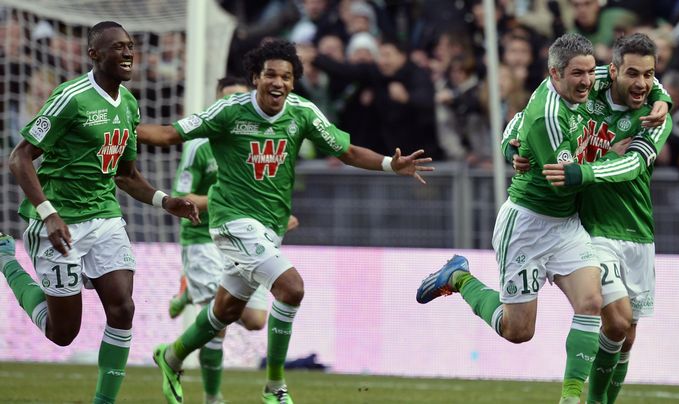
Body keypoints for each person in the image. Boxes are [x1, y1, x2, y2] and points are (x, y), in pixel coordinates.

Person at [138, 39, 433, 404]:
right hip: (231, 221)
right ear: (255, 78)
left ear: (294, 82)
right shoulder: (229, 111)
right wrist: (123, 127)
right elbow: (169, 134)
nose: (278, 82)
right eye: (271, 75)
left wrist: (391, 164)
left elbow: (348, 151)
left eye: (286, 76)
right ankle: (275, 386)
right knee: (291, 288)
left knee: (227, 310)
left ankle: (171, 356)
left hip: (270, 227)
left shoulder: (302, 113)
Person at [0, 21, 198, 404]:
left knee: (123, 308)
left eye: (130, 46)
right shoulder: (70, 97)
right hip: (58, 222)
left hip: (105, 216)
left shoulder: (129, 103)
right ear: (94, 54)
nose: (127, 53)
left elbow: (125, 175)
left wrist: (164, 200)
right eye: (117, 47)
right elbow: (19, 158)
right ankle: (7, 261)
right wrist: (48, 213)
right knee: (63, 334)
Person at [417, 33, 604, 404]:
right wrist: (617, 167)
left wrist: (509, 149)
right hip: (528, 226)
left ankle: (571, 397)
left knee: (592, 303)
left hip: (565, 227)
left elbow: (512, 127)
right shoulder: (549, 116)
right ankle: (459, 277)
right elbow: (566, 183)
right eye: (577, 74)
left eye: (590, 72)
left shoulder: (580, 84)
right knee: (518, 331)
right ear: (555, 73)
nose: (586, 82)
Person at [515, 33, 673, 403]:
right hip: (592, 228)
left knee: (627, 335)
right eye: (632, 73)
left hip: (636, 228)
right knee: (614, 321)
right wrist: (512, 143)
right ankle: (584, 398)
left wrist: (583, 170)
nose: (641, 84)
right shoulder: (589, 86)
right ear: (613, 70)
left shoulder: (655, 117)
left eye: (649, 76)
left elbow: (634, 164)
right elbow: (529, 111)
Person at [166, 75, 299, 404]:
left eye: (243, 98)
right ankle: (214, 398)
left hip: (248, 236)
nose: (237, 107)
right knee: (221, 326)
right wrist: (227, 199)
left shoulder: (254, 141)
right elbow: (181, 196)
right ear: (216, 101)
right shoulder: (199, 145)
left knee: (254, 321)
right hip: (203, 237)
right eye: (229, 99)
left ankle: (174, 343)